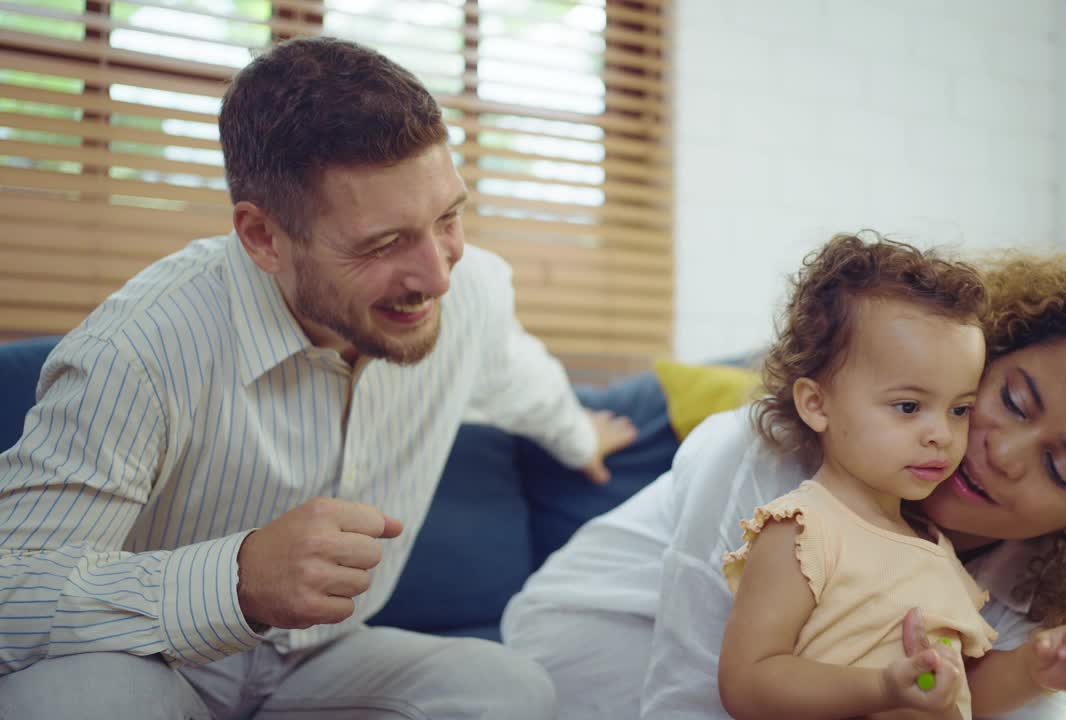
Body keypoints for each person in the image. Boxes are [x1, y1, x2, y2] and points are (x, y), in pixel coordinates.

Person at [0, 36, 636, 720]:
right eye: (385, 243)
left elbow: (521, 378)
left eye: (449, 218)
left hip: (320, 663)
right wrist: (235, 581)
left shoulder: (470, 291)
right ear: (264, 238)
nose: (439, 273)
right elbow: (11, 595)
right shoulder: (137, 349)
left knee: (509, 690)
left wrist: (578, 437)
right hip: (154, 662)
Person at [502, 239, 1066, 720]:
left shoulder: (1034, 605)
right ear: (986, 361)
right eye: (1010, 400)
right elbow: (695, 692)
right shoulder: (770, 461)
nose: (1003, 451)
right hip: (592, 645)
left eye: (1059, 468)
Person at [716, 235, 1066, 720]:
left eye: (960, 408)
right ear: (817, 404)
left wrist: (1033, 670)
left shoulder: (934, 552)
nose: (941, 435)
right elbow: (747, 681)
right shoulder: (803, 529)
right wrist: (882, 688)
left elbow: (961, 696)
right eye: (908, 406)